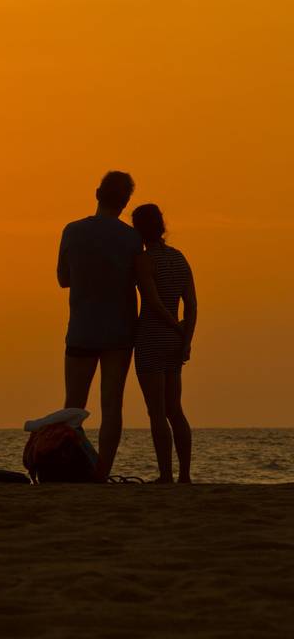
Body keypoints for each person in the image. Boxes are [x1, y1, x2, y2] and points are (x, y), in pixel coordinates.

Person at [56, 171, 143, 480]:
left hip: (82, 326)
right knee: (111, 405)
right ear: (125, 202)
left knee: (73, 406)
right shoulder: (132, 238)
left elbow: (63, 279)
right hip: (119, 330)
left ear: (97, 193)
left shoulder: (73, 231)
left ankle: (67, 466)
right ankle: (102, 472)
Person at [131, 204, 197, 483]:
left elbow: (152, 302)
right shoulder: (180, 258)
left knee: (156, 411)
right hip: (174, 340)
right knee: (175, 409)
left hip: (151, 337)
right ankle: (184, 475)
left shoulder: (144, 261)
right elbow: (192, 305)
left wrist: (173, 326)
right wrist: (185, 337)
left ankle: (166, 475)